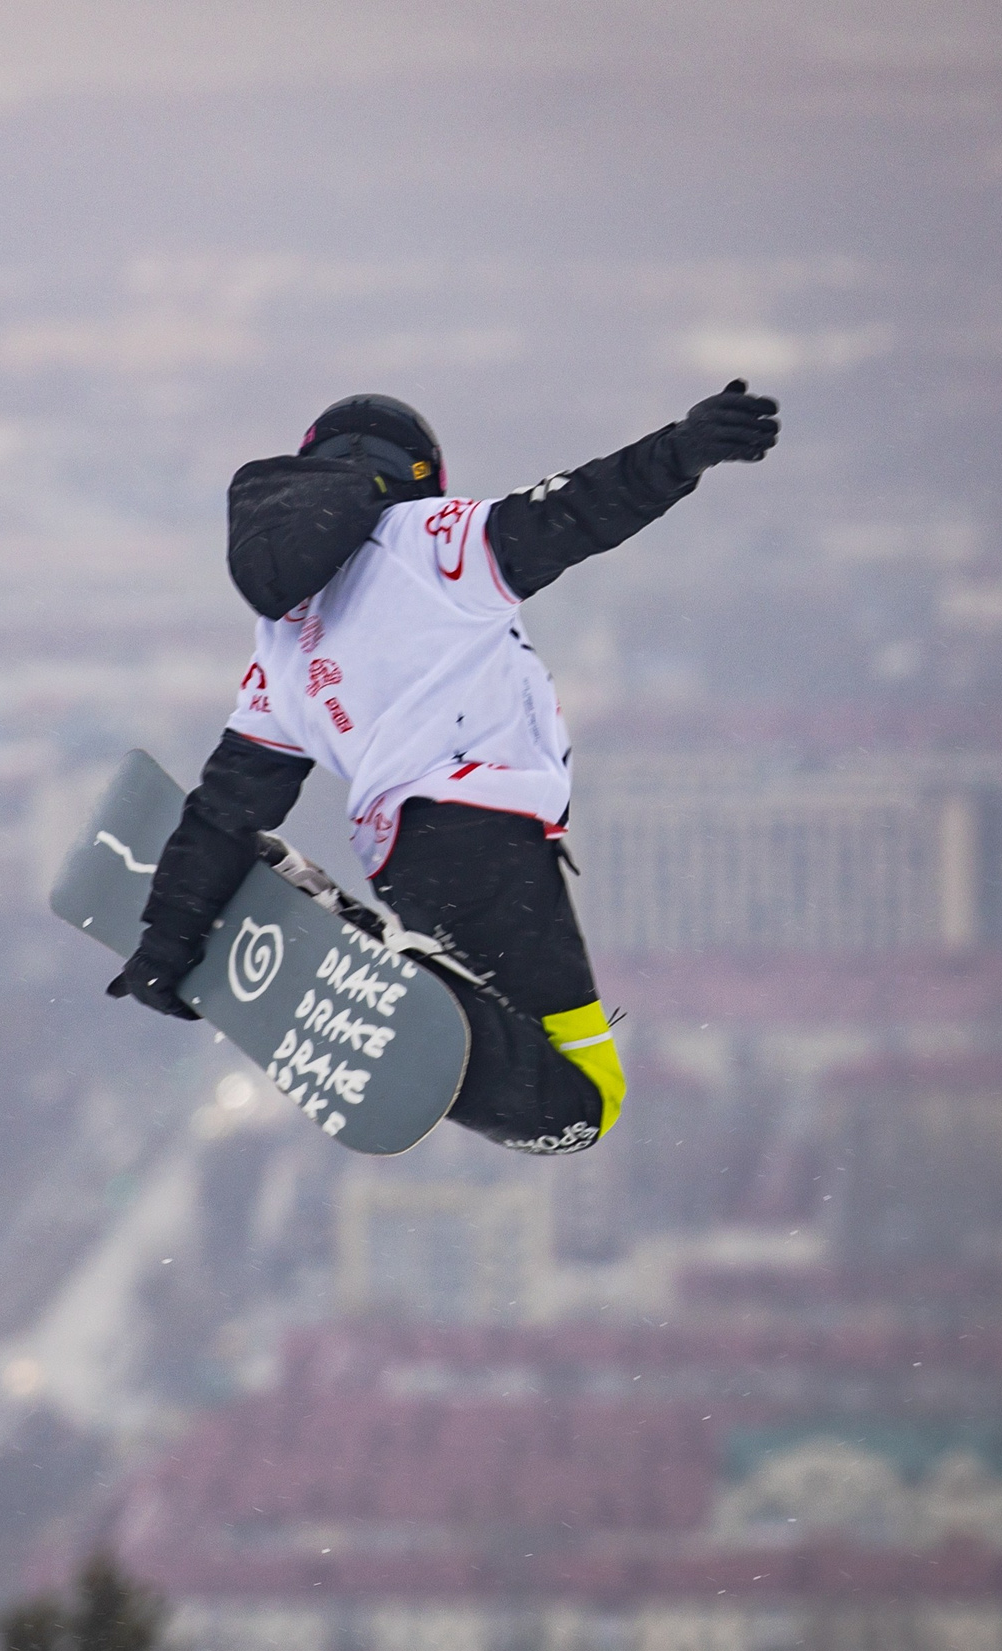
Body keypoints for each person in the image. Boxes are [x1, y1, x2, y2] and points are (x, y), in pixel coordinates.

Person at [107, 383, 780, 1153]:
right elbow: (577, 510)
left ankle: (353, 933)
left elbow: (226, 810)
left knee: (538, 1065)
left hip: (407, 866)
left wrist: (168, 944)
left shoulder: (282, 642)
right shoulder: (433, 540)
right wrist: (686, 448)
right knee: (585, 1103)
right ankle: (361, 945)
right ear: (423, 475)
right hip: (488, 846)